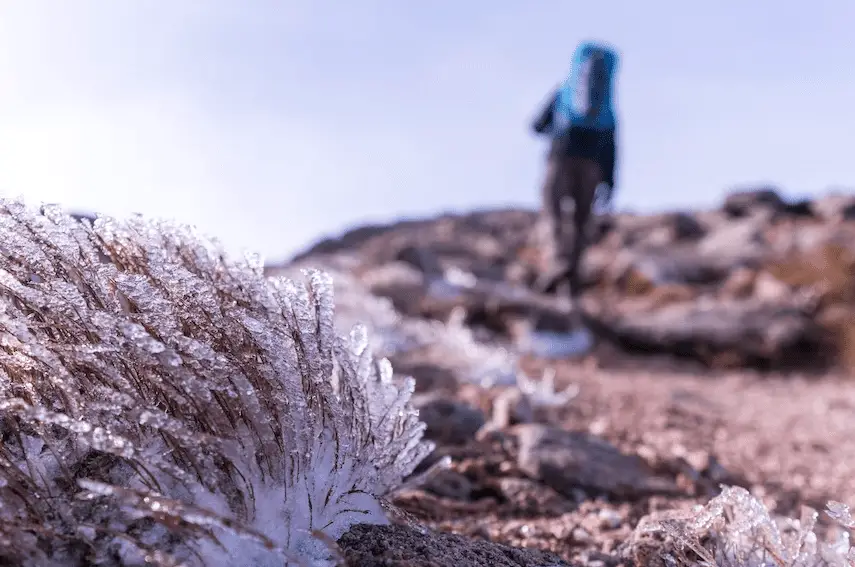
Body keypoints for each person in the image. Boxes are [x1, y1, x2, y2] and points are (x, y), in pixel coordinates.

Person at [530, 40, 619, 298]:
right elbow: (612, 147)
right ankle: (573, 276)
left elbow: (536, 125)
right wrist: (609, 181)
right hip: (592, 166)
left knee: (553, 212)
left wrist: (551, 130)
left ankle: (558, 263)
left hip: (560, 157)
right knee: (581, 221)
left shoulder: (565, 92)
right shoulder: (607, 107)